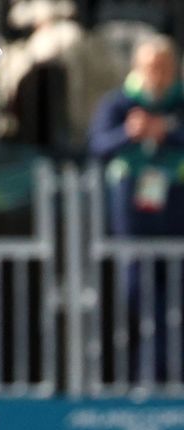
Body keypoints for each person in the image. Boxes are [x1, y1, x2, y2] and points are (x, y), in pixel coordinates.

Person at [88, 34, 184, 380]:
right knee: (140, 306)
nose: (157, 75)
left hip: (176, 221)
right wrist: (130, 133)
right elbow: (97, 147)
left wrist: (167, 133)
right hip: (133, 226)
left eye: (163, 68)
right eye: (150, 67)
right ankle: (143, 382)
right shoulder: (118, 104)